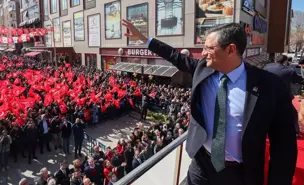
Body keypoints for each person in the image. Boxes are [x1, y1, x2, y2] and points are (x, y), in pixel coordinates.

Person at [122, 20, 297, 185]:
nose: (203, 53)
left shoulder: (270, 86)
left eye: (209, 48)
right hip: (202, 163)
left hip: (239, 174)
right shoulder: (203, 69)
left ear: (230, 50)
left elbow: (284, 147)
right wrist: (144, 39)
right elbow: (174, 56)